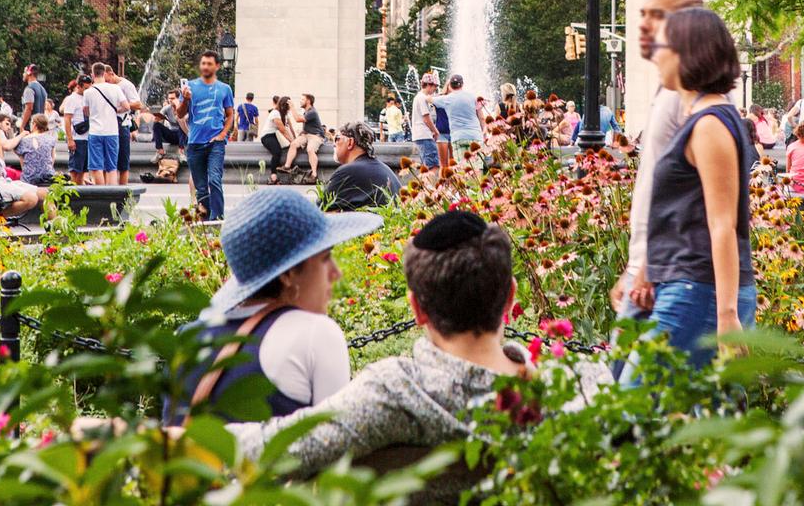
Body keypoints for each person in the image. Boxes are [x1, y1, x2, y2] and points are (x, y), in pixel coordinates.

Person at [228, 210, 575, 478]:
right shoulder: (573, 390)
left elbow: (272, 449)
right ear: (511, 296)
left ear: (417, 309)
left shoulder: (396, 392)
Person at [182, 188, 380, 423]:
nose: (336, 273)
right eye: (325, 258)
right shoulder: (316, 334)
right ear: (288, 275)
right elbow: (338, 445)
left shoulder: (187, 339)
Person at [640, 7, 756, 369]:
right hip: (692, 287)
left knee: (634, 406)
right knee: (696, 415)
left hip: (697, 292)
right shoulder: (710, 118)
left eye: (664, 47)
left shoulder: (709, 124)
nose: (656, 55)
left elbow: (722, 224)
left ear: (688, 53)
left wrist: (726, 315)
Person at [612, 0, 705, 323]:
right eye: (642, 14)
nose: (642, 25)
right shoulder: (671, 92)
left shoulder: (686, 99)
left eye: (656, 15)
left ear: (686, 24)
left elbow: (687, 199)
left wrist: (645, 267)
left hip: (664, 278)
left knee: (631, 376)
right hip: (654, 271)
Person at [177, 50, 236, 220]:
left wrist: (223, 134)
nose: (205, 66)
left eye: (209, 63)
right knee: (201, 187)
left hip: (215, 143)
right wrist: (186, 99)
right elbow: (180, 114)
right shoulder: (190, 87)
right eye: (203, 63)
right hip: (195, 142)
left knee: (214, 180)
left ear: (217, 66)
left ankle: (218, 218)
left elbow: (230, 114)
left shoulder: (225, 89)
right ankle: (207, 219)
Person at [322, 121, 401, 211]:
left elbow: (321, 210)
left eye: (337, 138)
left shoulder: (347, 172)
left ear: (350, 142)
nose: (334, 143)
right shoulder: (385, 168)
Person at [81, 64, 127, 186]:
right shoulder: (115, 88)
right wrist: (116, 111)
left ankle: (101, 193)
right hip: (112, 132)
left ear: (92, 75)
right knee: (111, 167)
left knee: (97, 167)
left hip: (95, 132)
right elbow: (126, 107)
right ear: (104, 73)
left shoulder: (88, 92)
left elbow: (85, 111)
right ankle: (112, 195)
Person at [438, 75, 485, 163]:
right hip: (446, 133)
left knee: (458, 163)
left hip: (457, 134)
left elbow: (428, 99)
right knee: (449, 163)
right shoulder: (442, 98)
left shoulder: (462, 98)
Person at [282, 93, 326, 181]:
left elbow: (298, 119)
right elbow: (306, 125)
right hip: (306, 134)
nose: (300, 101)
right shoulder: (306, 111)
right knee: (294, 144)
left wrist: (292, 107)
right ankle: (287, 166)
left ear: (308, 101)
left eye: (302, 99)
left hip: (316, 136)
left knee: (310, 149)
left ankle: (314, 174)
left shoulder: (312, 112)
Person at [18, 113, 57, 187]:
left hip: (29, 178)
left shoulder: (23, 140)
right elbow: (53, 158)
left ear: (34, 124)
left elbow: (22, 162)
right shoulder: (51, 139)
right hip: (47, 176)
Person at [410, 74, 440, 170]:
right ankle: (430, 185)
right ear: (428, 85)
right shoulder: (423, 98)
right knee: (433, 166)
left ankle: (425, 184)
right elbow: (426, 118)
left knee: (426, 166)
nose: (434, 91)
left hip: (419, 135)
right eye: (434, 87)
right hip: (425, 135)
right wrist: (435, 131)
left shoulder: (418, 97)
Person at [59, 74, 90, 168]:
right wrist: (70, 139)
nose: (88, 91)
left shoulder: (87, 97)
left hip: (88, 137)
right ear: (78, 86)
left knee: (84, 169)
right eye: (85, 88)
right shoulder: (72, 99)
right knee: (75, 169)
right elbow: (67, 119)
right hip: (77, 138)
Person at [260, 95, 296, 170]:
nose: (290, 108)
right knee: (277, 152)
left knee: (286, 149)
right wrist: (293, 141)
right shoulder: (275, 113)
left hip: (275, 135)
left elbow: (289, 129)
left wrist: (294, 139)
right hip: (267, 136)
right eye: (289, 106)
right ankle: (273, 176)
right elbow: (283, 130)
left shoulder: (284, 115)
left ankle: (283, 168)